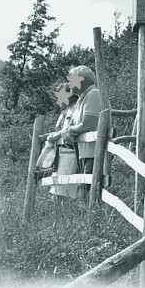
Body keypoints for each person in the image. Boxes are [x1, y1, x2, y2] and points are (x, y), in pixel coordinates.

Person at [64, 65, 102, 193]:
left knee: (87, 190)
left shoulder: (93, 95)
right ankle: (90, 212)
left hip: (94, 151)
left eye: (72, 80)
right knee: (84, 188)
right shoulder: (82, 98)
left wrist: (69, 131)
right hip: (84, 151)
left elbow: (87, 125)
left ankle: (92, 212)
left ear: (82, 80)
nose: (69, 83)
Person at [45, 82, 79, 198]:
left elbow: (68, 129)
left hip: (68, 152)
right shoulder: (65, 112)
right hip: (61, 153)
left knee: (62, 190)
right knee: (58, 187)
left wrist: (55, 136)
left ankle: (63, 212)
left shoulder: (75, 109)